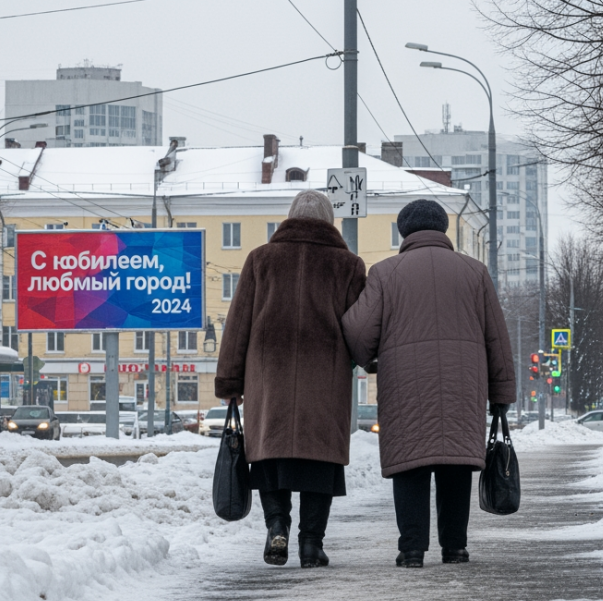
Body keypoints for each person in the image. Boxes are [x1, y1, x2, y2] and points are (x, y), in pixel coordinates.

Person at [342, 199, 515, 568]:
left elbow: (357, 331)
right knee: (454, 466)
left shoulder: (386, 272)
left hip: (405, 387)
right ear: (443, 229)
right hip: (463, 386)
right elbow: (496, 339)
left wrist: (370, 360)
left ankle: (412, 549)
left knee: (410, 465)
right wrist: (501, 393)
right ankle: (455, 548)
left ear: (405, 231)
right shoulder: (475, 272)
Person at [215, 190, 366, 568]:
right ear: (330, 221)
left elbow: (238, 325)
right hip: (325, 382)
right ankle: (311, 545)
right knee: (318, 462)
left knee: (271, 457)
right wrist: (371, 360)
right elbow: (360, 328)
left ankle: (277, 526)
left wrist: (230, 382)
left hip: (269, 380)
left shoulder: (260, 260)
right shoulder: (348, 265)